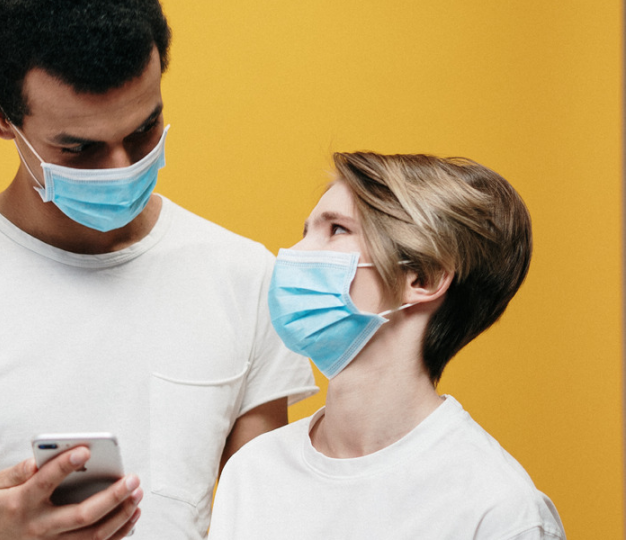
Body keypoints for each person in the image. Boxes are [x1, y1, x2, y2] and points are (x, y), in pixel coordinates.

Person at [0, 1, 317, 539]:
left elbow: (265, 521)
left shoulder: (245, 278)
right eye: (79, 149)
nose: (122, 168)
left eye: (145, 131)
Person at [208, 152, 566, 539]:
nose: (296, 254)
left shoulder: (498, 509)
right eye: (306, 230)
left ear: (424, 277)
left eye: (337, 230)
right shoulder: (252, 473)